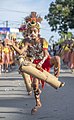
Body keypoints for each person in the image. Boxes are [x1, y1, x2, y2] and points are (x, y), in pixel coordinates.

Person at [7, 12, 65, 114]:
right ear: (28, 32)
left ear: (38, 31)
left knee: (57, 58)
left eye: (34, 31)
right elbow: (21, 52)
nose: (32, 33)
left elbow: (46, 54)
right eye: (30, 31)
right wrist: (12, 45)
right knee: (35, 84)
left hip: (44, 61)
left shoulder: (43, 40)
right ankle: (38, 102)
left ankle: (56, 77)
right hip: (34, 63)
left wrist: (41, 63)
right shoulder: (27, 42)